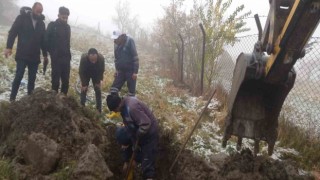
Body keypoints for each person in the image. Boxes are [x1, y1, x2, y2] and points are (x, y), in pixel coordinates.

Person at [107, 94, 158, 180]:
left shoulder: (132, 107)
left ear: (118, 104)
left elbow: (146, 124)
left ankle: (148, 176)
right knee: (121, 135)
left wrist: (138, 135)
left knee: (147, 164)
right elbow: (129, 128)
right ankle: (135, 160)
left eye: (115, 110)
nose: (115, 112)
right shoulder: (123, 108)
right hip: (138, 130)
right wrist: (129, 156)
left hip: (149, 133)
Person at [4, 2, 48, 101]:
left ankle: (29, 101)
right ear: (33, 9)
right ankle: (12, 99)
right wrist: (8, 47)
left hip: (34, 56)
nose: (39, 14)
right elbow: (13, 32)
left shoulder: (41, 23)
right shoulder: (22, 18)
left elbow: (43, 41)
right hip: (22, 54)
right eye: (37, 11)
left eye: (41, 12)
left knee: (32, 80)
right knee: (18, 76)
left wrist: (45, 55)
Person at [45, 6, 71, 94]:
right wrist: (52, 52)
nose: (65, 19)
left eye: (66, 18)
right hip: (56, 58)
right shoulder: (52, 26)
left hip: (66, 58)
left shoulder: (68, 27)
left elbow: (68, 43)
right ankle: (54, 100)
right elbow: (46, 40)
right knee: (55, 80)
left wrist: (68, 55)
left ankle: (63, 99)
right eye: (63, 17)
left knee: (66, 81)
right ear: (58, 15)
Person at [109, 30, 139, 97]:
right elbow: (116, 58)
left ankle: (131, 105)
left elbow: (135, 57)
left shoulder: (129, 41)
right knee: (113, 89)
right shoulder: (116, 44)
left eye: (116, 38)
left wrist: (135, 72)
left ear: (121, 36)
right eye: (114, 38)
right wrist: (116, 70)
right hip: (121, 70)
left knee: (131, 92)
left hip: (130, 70)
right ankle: (116, 104)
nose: (114, 40)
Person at [79, 48, 105, 113]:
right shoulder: (84, 59)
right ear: (88, 56)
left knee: (98, 89)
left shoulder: (101, 58)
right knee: (84, 89)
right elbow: (81, 72)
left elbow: (101, 70)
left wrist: (99, 81)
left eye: (95, 60)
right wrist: (84, 84)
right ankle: (82, 107)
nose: (93, 61)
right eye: (92, 60)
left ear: (97, 56)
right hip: (86, 73)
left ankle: (99, 109)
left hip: (96, 73)